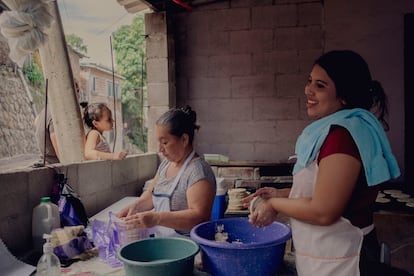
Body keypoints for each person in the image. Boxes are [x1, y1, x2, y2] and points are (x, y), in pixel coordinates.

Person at [242, 50, 408, 276]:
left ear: (344, 96)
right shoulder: (335, 130)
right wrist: (280, 194)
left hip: (344, 260)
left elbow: (324, 210)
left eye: (320, 85)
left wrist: (274, 206)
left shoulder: (343, 137)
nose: (308, 90)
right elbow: (329, 190)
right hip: (326, 257)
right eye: (309, 81)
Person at [117, 105, 216, 237]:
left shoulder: (198, 172)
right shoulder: (166, 164)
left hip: (189, 247)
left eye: (164, 143)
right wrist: (134, 208)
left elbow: (199, 217)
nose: (160, 149)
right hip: (164, 243)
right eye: (159, 142)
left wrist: (156, 218)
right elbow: (150, 195)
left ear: (184, 139)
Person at [34, 81, 84, 165]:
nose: (78, 96)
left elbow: (36, 121)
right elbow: (58, 147)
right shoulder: (57, 114)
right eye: (77, 91)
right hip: (54, 164)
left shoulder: (47, 108)